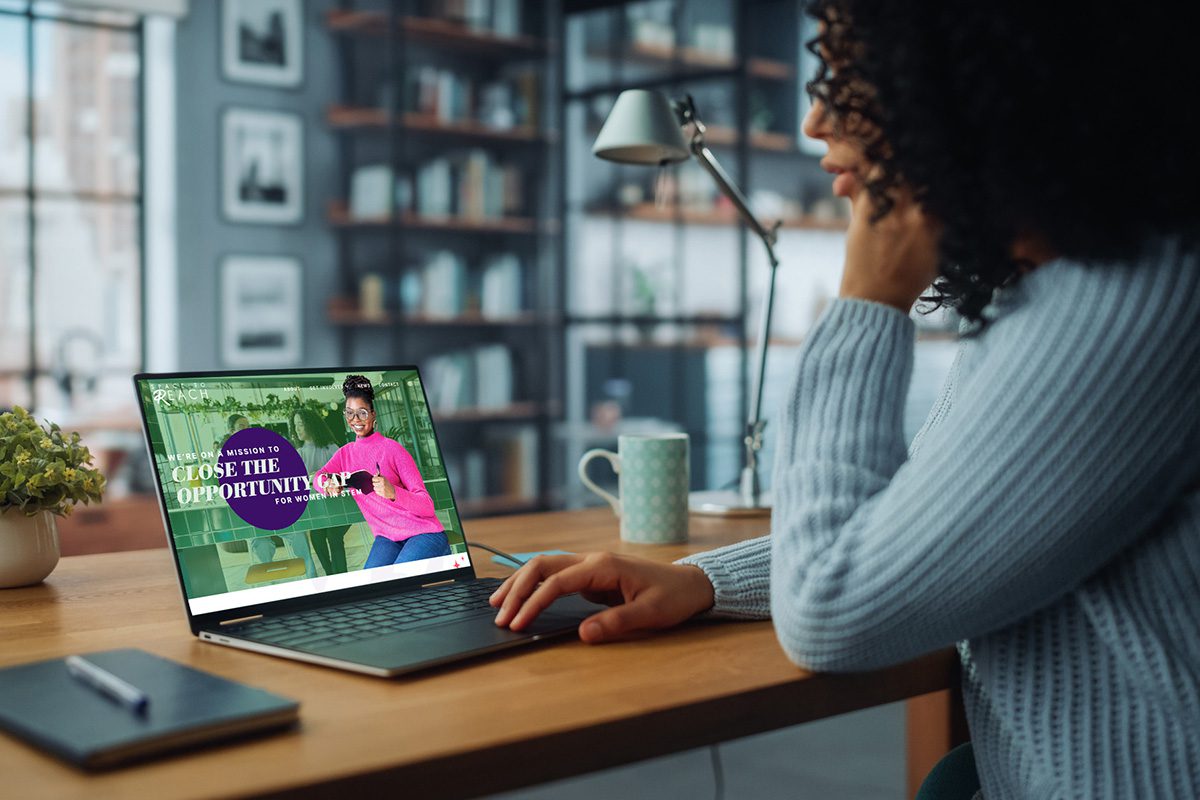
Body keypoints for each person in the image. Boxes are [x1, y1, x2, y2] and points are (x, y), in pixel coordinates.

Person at [489, 2, 1200, 798]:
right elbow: (914, 525)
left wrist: (868, 298)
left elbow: (832, 609)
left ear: (964, 84)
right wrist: (704, 581)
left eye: (848, 75)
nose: (813, 118)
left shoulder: (1127, 306)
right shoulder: (1055, 291)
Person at [315, 375, 449, 568]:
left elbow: (427, 506)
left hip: (424, 533)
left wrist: (394, 493)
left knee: (398, 581)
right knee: (371, 586)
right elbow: (319, 477)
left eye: (362, 413)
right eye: (349, 413)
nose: (356, 420)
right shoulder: (345, 455)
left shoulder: (393, 449)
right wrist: (326, 484)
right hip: (387, 538)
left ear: (373, 413)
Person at [292, 407, 350, 576]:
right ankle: (332, 576)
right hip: (318, 511)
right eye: (295, 425)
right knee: (317, 537)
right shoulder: (299, 454)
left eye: (301, 424)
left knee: (333, 536)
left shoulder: (331, 448)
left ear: (311, 425)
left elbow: (346, 474)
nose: (297, 429)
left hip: (339, 506)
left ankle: (342, 578)